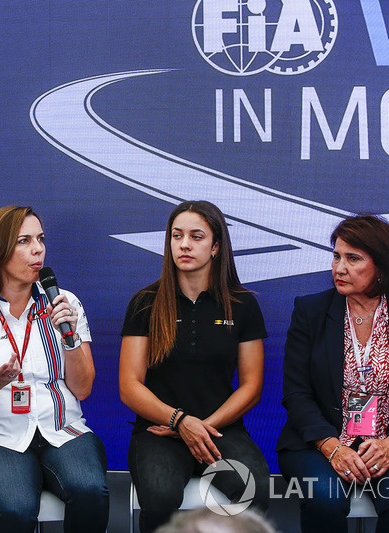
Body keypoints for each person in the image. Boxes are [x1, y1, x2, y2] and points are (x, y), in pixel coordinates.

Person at [0, 206, 110, 533]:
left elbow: (83, 389)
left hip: (64, 430)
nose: (38, 249)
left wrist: (70, 337)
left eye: (40, 239)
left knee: (91, 492)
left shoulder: (66, 303)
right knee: (16, 510)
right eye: (24, 241)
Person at [277, 214, 389, 533]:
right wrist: (331, 446)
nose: (339, 268)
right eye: (336, 256)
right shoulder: (309, 312)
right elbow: (296, 394)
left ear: (381, 265)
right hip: (319, 441)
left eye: (353, 258)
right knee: (324, 498)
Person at [119, 200, 269, 533]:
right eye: (177, 235)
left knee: (255, 489)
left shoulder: (243, 304)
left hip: (221, 430)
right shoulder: (145, 302)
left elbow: (252, 386)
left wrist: (202, 427)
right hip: (160, 431)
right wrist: (179, 421)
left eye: (196, 236)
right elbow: (129, 385)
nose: (184, 244)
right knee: (158, 499)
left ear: (216, 247)